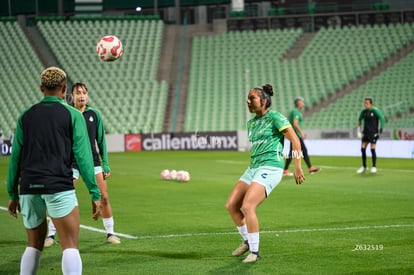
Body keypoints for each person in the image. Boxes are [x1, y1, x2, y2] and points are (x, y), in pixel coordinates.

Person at [6, 67, 101, 274]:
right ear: (65, 89)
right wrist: (95, 193)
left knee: (33, 245)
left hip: (29, 187)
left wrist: (13, 193)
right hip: (58, 185)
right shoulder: (73, 115)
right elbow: (84, 157)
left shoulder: (25, 116)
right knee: (70, 245)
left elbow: (15, 158)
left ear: (41, 88)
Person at [225, 84, 305, 263]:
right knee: (231, 205)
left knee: (247, 206)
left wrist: (297, 165)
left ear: (264, 100)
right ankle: (247, 241)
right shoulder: (251, 123)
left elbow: (295, 140)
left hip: (270, 167)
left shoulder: (275, 117)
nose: (248, 101)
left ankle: (255, 252)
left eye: (252, 98)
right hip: (253, 167)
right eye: (247, 98)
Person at [44, 82, 120, 246]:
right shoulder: (67, 113)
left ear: (88, 95)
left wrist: (105, 163)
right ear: (72, 96)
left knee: (104, 197)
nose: (82, 95)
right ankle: (50, 235)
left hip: (92, 160)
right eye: (78, 93)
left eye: (84, 92)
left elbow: (101, 141)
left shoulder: (95, 114)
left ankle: (110, 233)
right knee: (62, 195)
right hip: (70, 161)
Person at [283, 97, 320, 176]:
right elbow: (295, 124)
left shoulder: (297, 112)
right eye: (302, 102)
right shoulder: (296, 112)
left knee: (293, 152)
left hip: (295, 134)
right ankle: (310, 168)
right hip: (295, 134)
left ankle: (286, 169)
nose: (303, 103)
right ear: (298, 103)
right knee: (302, 150)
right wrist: (301, 133)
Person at [356, 97, 385, 174]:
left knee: (372, 149)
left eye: (367, 103)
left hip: (373, 133)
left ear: (371, 104)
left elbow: (382, 118)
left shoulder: (375, 111)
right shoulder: (364, 112)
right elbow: (359, 119)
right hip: (365, 133)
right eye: (364, 103)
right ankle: (364, 166)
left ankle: (374, 166)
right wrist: (358, 129)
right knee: (362, 149)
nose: (365, 104)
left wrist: (381, 129)